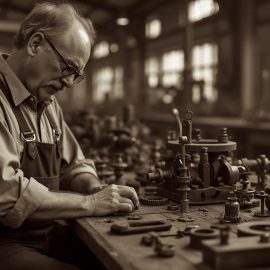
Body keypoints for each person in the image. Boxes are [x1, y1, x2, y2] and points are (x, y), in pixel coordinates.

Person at [0, 2, 139, 270]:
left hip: (47, 234)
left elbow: (75, 164)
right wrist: (90, 203)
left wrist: (92, 186)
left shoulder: (49, 105)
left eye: (77, 75)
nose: (68, 83)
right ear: (35, 43)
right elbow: (7, 196)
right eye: (67, 68)